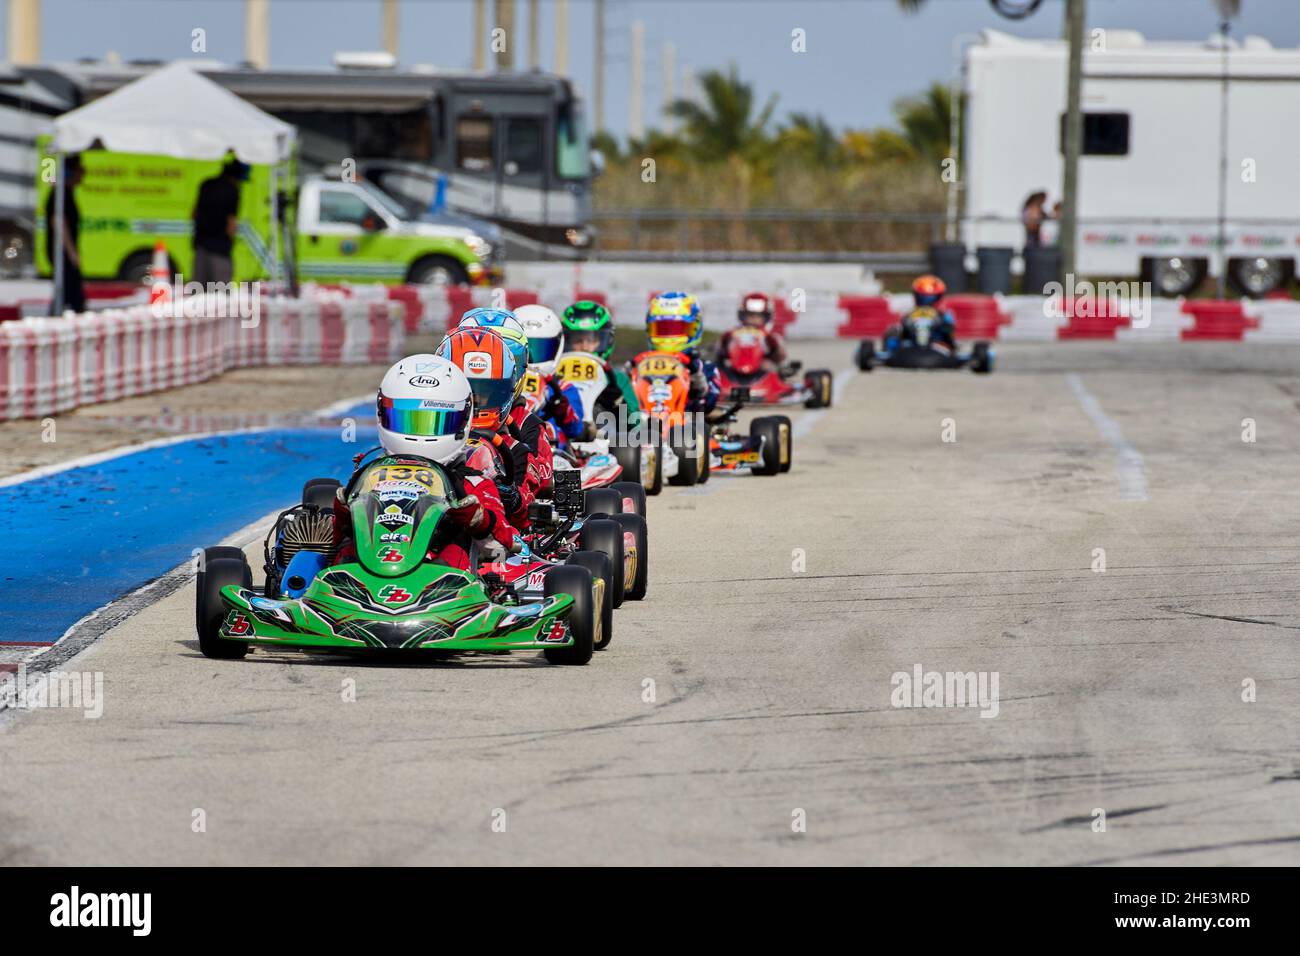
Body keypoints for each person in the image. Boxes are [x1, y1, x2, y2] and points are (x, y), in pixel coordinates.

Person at [332, 354, 518, 569]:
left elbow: (503, 546)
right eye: (408, 420)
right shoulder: (369, 476)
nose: (419, 436)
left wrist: (477, 519)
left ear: (463, 419)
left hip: (442, 580)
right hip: (368, 570)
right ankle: (326, 586)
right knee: (329, 553)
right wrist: (344, 511)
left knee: (456, 547)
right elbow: (337, 538)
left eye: (435, 422)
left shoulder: (472, 484)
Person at [436, 326, 537, 533]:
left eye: (487, 393)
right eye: (467, 392)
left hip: (487, 542)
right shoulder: (427, 438)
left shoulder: (515, 450)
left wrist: (513, 497)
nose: (476, 402)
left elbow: (528, 518)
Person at [514, 303, 591, 443]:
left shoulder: (564, 388)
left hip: (554, 454)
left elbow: (576, 430)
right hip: (511, 444)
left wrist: (563, 409)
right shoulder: (504, 385)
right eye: (523, 351)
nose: (531, 359)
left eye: (540, 349)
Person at [561, 300, 645, 425]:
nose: (584, 347)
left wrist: (617, 403)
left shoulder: (616, 379)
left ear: (606, 341)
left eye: (591, 340)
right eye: (578, 340)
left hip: (603, 438)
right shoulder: (555, 374)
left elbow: (636, 423)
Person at [644, 292, 721, 414]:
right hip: (645, 424)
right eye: (663, 329)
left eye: (676, 328)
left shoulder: (704, 369)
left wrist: (696, 380)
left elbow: (709, 403)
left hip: (688, 425)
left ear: (695, 328)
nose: (669, 336)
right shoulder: (639, 367)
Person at [192, 158, 248, 284]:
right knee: (221, 293)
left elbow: (194, 213)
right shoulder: (233, 191)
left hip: (201, 245)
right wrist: (231, 238)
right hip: (220, 248)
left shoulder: (206, 184)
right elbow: (231, 221)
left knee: (198, 292)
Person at [45, 153, 85, 313]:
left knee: (67, 292)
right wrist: (71, 251)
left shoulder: (67, 193)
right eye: (81, 170)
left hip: (64, 251)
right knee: (71, 291)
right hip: (61, 251)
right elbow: (59, 222)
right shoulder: (61, 194)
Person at [715, 291, 788, 370]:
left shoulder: (771, 338)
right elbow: (719, 353)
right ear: (743, 315)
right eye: (750, 315)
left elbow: (781, 359)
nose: (753, 319)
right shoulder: (730, 334)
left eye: (758, 316)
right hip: (734, 372)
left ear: (766, 317)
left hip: (762, 374)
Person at [884, 275, 957, 352]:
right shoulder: (908, 314)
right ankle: (890, 351)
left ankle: (952, 350)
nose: (926, 301)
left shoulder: (944, 315)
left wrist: (944, 326)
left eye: (931, 298)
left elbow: (949, 330)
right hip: (911, 346)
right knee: (893, 330)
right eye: (922, 297)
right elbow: (903, 329)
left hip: (937, 345)